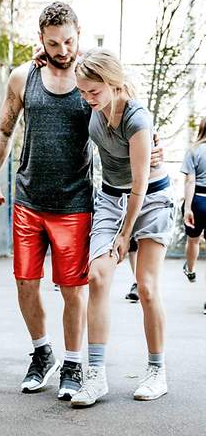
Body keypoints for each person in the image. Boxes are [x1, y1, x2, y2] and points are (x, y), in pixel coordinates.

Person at [0, 2, 162, 401]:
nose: (62, 49)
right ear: (40, 41)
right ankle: (42, 353)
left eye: (68, 41)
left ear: (79, 34)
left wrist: (154, 145)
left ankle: (72, 364)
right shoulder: (22, 77)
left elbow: (128, 108)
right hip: (28, 198)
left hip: (75, 202)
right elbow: (3, 129)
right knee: (26, 282)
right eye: (53, 43)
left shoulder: (92, 83)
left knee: (73, 288)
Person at [70, 48, 175, 407]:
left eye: (93, 92)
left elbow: (141, 184)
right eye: (82, 92)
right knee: (97, 277)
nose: (87, 99)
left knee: (145, 286)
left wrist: (125, 234)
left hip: (150, 200)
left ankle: (157, 371)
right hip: (111, 198)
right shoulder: (96, 109)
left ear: (113, 84)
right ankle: (95, 375)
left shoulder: (137, 119)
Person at [180, 117, 206, 312]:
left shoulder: (194, 150)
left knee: (193, 240)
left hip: (198, 199)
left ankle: (191, 270)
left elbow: (190, 181)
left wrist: (188, 208)